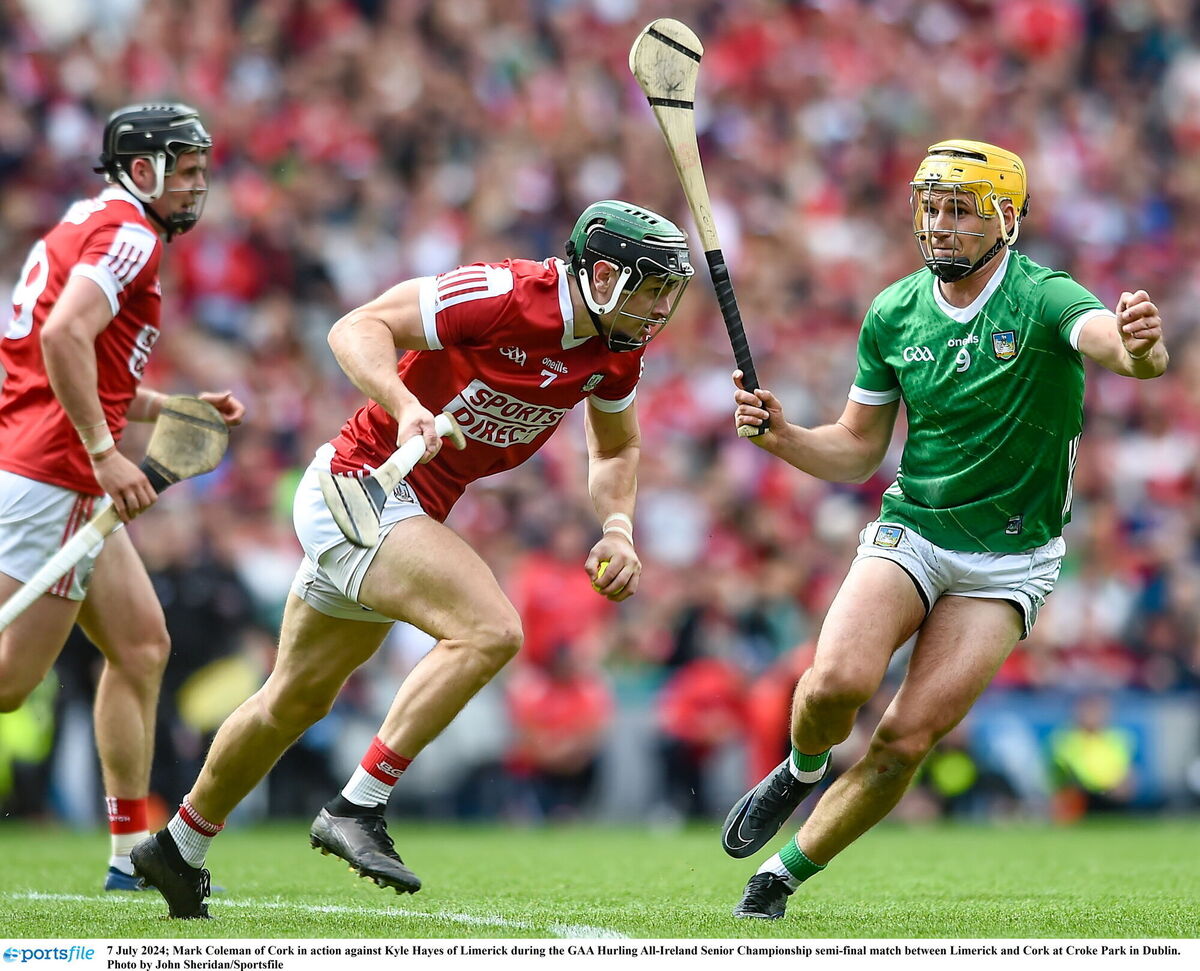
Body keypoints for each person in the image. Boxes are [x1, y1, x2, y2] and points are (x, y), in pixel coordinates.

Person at [131, 199, 695, 918]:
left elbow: (616, 447)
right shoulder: (503, 294)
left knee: (294, 698)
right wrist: (402, 402)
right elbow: (355, 326)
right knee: (491, 628)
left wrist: (617, 525)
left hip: (408, 511)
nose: (658, 306)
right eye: (649, 287)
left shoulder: (618, 347)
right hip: (358, 486)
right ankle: (357, 806)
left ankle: (178, 846)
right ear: (604, 274)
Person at [722, 140, 1168, 920]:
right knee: (835, 684)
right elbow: (859, 449)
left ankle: (780, 876)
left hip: (1011, 561)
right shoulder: (894, 311)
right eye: (931, 206)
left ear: (1005, 218)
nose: (939, 223)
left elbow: (1122, 350)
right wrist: (786, 436)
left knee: (905, 738)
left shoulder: (1045, 297)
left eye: (958, 209)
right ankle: (798, 768)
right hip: (915, 531)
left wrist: (1142, 345)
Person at [0, 103, 244, 890]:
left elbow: (89, 373)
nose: (200, 183)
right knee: (9, 683)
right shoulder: (132, 234)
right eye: (188, 167)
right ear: (142, 171)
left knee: (141, 646)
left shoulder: (92, 218)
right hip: (55, 471)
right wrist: (105, 454)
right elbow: (63, 337)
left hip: (45, 455)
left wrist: (172, 409)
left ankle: (125, 851)